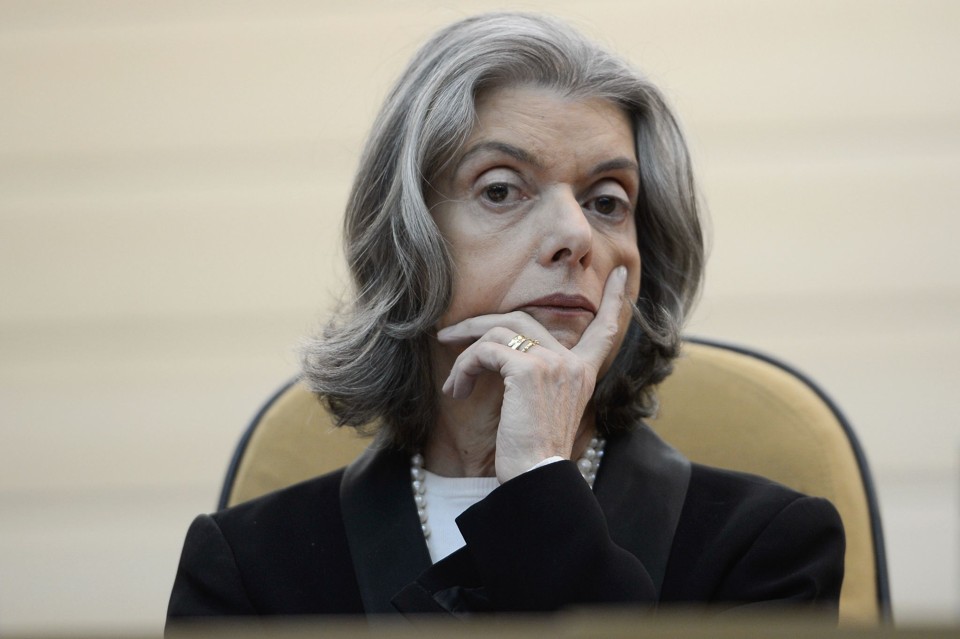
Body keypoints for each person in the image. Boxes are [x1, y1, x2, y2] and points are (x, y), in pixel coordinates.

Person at [167, 12, 844, 622]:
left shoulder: (768, 547)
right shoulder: (248, 567)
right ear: (407, 239)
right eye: (500, 189)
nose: (575, 234)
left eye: (608, 201)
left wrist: (541, 479)